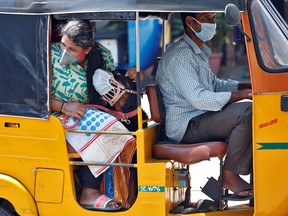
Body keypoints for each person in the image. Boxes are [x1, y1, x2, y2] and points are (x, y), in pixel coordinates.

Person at [156, 12, 253, 200]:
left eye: (213, 18)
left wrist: (247, 85)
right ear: (190, 22)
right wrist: (242, 95)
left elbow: (214, 85)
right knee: (246, 111)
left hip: (200, 117)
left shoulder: (196, 52)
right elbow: (200, 98)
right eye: (207, 18)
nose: (212, 23)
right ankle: (230, 175)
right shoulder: (180, 56)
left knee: (256, 110)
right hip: (187, 125)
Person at [51, 19, 136, 210]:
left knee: (133, 125)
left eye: (72, 49)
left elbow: (109, 87)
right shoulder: (50, 54)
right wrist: (64, 106)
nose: (64, 51)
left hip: (91, 113)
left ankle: (126, 191)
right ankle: (89, 192)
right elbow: (34, 96)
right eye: (64, 44)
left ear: (87, 50)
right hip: (54, 118)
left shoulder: (102, 54)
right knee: (107, 129)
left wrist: (129, 76)